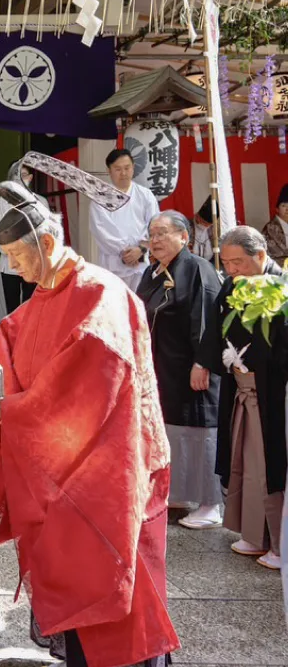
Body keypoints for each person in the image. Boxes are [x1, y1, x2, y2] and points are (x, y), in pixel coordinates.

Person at [0, 178, 178, 667]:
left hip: (107, 456)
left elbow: (91, 377)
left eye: (19, 254)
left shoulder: (100, 291)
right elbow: (22, 340)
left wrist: (17, 410)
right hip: (59, 456)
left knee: (104, 556)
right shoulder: (46, 297)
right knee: (58, 551)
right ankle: (76, 658)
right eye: (9, 256)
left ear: (45, 240)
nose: (15, 266)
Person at [137, 212, 223, 529]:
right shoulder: (152, 272)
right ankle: (178, 494)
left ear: (184, 237)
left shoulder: (198, 269)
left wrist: (202, 362)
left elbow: (207, 320)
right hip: (163, 368)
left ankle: (210, 503)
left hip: (192, 367)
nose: (155, 239)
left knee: (200, 432)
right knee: (172, 430)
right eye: (151, 233)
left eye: (162, 233)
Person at [215, 226, 287, 570]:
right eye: (226, 262)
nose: (231, 270)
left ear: (261, 255)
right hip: (240, 389)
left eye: (238, 262)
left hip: (271, 393)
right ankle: (253, 534)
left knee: (269, 466)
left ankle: (277, 541)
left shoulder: (281, 287)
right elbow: (215, 329)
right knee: (244, 462)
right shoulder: (232, 284)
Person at [89, 148, 159, 290]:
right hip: (113, 264)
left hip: (140, 262)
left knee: (140, 306)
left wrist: (140, 249)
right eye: (118, 169)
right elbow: (101, 231)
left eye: (127, 168)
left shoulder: (145, 195)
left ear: (133, 168)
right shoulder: (100, 199)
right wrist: (125, 252)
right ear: (109, 171)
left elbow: (155, 224)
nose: (123, 173)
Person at [0, 159, 49, 329]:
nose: (19, 179)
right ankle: (13, 344)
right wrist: (13, 252)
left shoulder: (40, 202)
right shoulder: (1, 203)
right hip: (10, 262)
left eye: (23, 175)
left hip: (33, 262)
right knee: (12, 308)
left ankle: (29, 343)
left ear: (30, 178)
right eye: (15, 176)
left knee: (32, 305)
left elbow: (45, 232)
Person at [262, 185, 288, 266]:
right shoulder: (270, 228)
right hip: (277, 266)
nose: (287, 209)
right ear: (277, 209)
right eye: (283, 206)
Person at [192, 197, 215, 262]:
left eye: (208, 224)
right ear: (197, 216)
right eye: (203, 222)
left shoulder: (213, 230)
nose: (205, 226)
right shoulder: (187, 226)